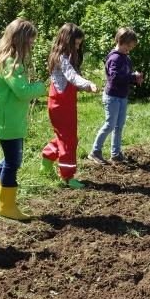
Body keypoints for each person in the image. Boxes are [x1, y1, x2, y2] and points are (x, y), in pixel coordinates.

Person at [0, 18, 46, 221]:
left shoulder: (8, 59)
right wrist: (41, 87)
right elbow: (22, 92)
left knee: (9, 159)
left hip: (8, 119)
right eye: (31, 41)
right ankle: (6, 206)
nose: (32, 45)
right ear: (21, 40)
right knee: (13, 162)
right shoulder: (10, 62)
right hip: (7, 121)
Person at [41, 23, 97, 188]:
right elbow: (72, 76)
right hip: (61, 106)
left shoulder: (62, 56)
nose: (78, 47)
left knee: (66, 137)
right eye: (76, 43)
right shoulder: (62, 58)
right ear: (66, 40)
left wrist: (84, 85)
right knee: (68, 140)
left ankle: (47, 156)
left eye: (79, 44)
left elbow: (71, 78)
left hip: (62, 104)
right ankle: (67, 176)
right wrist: (87, 84)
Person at [89, 28, 143, 165]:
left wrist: (135, 79)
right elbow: (114, 77)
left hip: (122, 96)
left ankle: (116, 154)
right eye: (128, 46)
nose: (129, 49)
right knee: (110, 125)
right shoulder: (114, 58)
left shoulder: (126, 58)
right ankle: (95, 151)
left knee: (119, 126)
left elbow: (126, 76)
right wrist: (132, 76)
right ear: (120, 41)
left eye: (132, 47)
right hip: (112, 97)